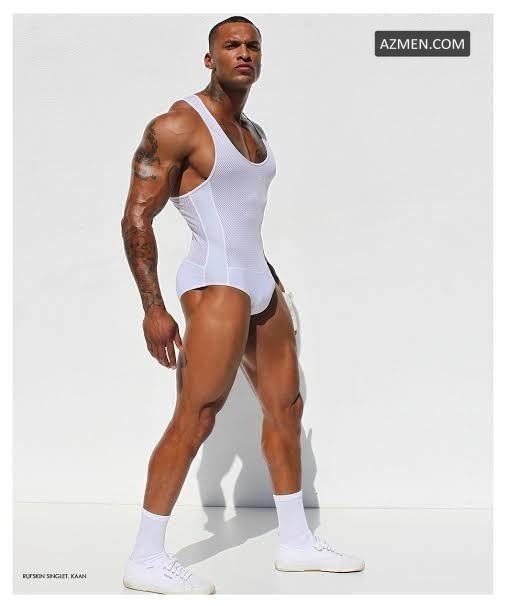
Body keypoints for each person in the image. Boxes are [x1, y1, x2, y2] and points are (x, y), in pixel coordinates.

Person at [120, 15, 365, 595]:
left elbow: (242, 213)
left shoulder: (253, 130)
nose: (244, 53)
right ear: (210, 59)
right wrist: (153, 307)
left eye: (253, 45)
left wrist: (269, 278)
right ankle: (145, 557)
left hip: (259, 279)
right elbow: (136, 217)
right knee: (197, 415)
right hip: (215, 281)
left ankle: (295, 543)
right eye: (231, 45)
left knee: (287, 406)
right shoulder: (178, 124)